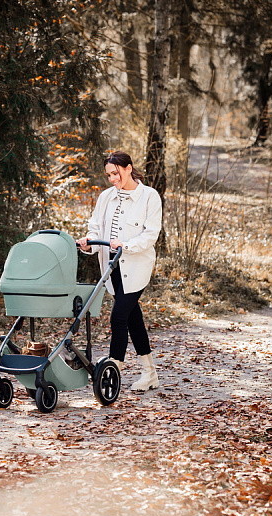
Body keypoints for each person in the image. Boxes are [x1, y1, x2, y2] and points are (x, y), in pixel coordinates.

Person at [77, 151, 162, 391]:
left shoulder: (149, 196)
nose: (113, 178)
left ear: (128, 168)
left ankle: (114, 365)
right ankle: (149, 373)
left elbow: (151, 234)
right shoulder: (106, 197)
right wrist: (89, 242)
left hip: (136, 267)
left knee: (119, 316)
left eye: (116, 173)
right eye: (109, 175)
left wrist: (127, 245)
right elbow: (95, 227)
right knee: (134, 319)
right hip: (111, 267)